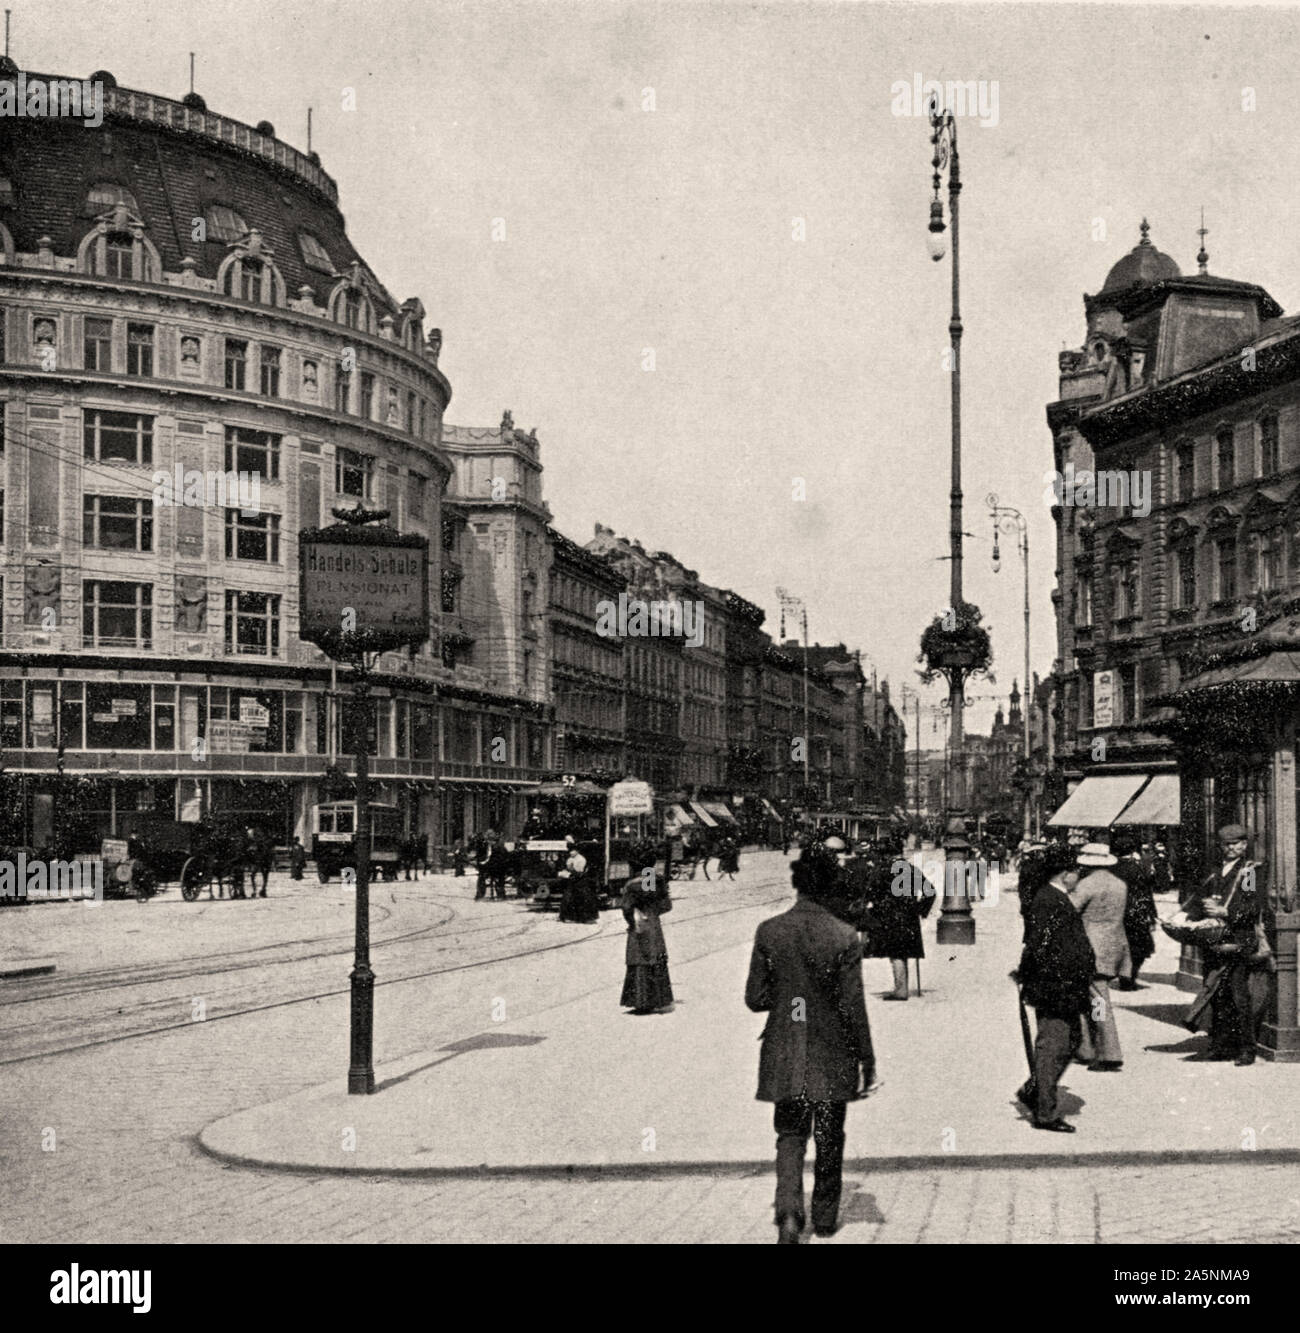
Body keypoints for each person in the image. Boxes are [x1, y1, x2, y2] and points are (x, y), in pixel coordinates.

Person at [746, 842, 875, 1243]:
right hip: (832, 1050)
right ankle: (824, 1215)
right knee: (830, 1134)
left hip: (786, 1049)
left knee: (789, 1134)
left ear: (797, 885)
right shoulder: (844, 935)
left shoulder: (769, 930)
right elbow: (853, 1007)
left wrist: (787, 995)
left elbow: (755, 998)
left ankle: (788, 1213)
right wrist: (866, 1058)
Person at [1015, 845, 1094, 1132]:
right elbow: (1040, 946)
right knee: (1054, 1046)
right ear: (1065, 874)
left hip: (1065, 985)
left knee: (1070, 1041)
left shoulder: (1054, 897)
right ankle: (1044, 1112)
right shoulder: (1049, 900)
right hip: (1056, 986)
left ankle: (1034, 1089)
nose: (1079, 877)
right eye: (1076, 871)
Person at [1183, 824, 1272, 1066]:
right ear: (1220, 846)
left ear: (1244, 845)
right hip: (1215, 938)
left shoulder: (1250, 872)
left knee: (1238, 995)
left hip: (1238, 939)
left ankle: (1247, 1049)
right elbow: (1199, 899)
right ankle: (1222, 1044)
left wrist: (1225, 911)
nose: (1231, 848)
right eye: (1226, 844)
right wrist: (1190, 915)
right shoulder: (1215, 870)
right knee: (1218, 995)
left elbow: (1252, 907)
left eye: (1236, 844)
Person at [1068, 842, 1129, 1072]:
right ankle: (1086, 1048)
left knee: (1098, 1000)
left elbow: (1070, 910)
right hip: (1113, 945)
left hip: (1090, 947)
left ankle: (1109, 1052)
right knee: (1089, 996)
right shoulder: (1119, 884)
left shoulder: (1086, 885)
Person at [853, 837, 929, 1000]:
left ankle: (901, 991)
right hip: (909, 917)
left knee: (896, 952)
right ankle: (902, 987)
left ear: (887, 854)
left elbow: (870, 894)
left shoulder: (881, 870)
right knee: (902, 951)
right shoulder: (911, 870)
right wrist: (920, 909)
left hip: (888, 917)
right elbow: (930, 892)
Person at [620, 868, 674, 1014]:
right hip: (653, 925)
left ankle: (641, 1000)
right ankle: (658, 999)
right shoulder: (656, 880)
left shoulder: (632, 884)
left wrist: (631, 919)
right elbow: (666, 906)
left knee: (640, 958)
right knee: (655, 958)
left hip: (639, 925)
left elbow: (627, 907)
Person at [1113, 832, 1157, 990]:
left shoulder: (1112, 868)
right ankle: (1129, 978)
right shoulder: (1135, 869)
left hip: (1117, 912)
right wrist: (1152, 915)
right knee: (1138, 948)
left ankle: (1123, 977)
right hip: (1135, 913)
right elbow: (1145, 893)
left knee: (1121, 947)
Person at [557, 837, 599, 924]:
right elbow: (568, 869)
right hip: (572, 881)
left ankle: (587, 918)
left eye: (573, 851)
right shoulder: (570, 859)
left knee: (583, 898)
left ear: (577, 851)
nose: (571, 853)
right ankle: (568, 917)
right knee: (568, 898)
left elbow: (579, 872)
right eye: (570, 851)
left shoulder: (581, 859)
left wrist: (570, 871)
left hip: (580, 881)